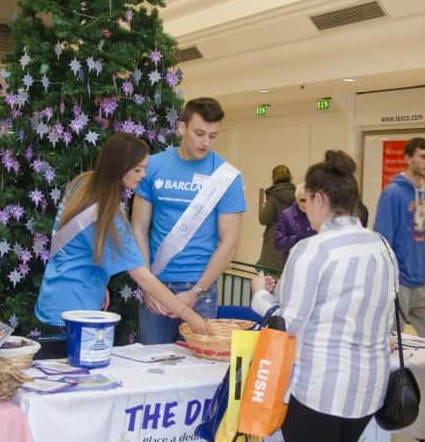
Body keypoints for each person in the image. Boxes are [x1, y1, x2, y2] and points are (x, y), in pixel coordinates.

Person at [250, 151, 396, 442]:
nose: (303, 211)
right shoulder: (380, 245)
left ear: (317, 199)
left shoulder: (311, 250)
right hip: (368, 384)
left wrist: (260, 296)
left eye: (305, 203)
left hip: (319, 385)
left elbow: (286, 323)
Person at [35, 133, 210, 353]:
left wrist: (101, 283)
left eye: (144, 168)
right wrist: (189, 315)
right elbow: (143, 277)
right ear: (118, 167)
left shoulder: (84, 183)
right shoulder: (108, 215)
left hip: (54, 297)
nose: (143, 175)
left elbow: (79, 244)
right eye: (137, 169)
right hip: (75, 313)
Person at [132, 98, 246, 344]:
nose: (206, 142)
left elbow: (229, 243)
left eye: (213, 136)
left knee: (198, 368)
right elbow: (138, 228)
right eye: (199, 133)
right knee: (153, 366)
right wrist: (147, 286)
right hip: (156, 282)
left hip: (200, 288)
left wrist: (196, 291)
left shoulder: (226, 177)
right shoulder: (152, 166)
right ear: (182, 128)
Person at [374, 136, 425, 340]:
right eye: (423, 157)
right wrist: (390, 277)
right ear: (408, 158)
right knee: (391, 341)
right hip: (399, 281)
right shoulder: (393, 193)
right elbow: (383, 239)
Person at [257, 164, 296, 270]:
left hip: (275, 239)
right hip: (292, 237)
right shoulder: (297, 194)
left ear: (273, 177)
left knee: (270, 277)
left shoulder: (273, 196)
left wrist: (262, 206)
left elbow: (264, 219)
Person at [275, 184, 315, 267]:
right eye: (302, 200)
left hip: (312, 263)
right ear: (296, 200)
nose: (305, 204)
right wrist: (296, 238)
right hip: (293, 264)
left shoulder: (317, 214)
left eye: (308, 200)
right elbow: (278, 243)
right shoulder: (286, 215)